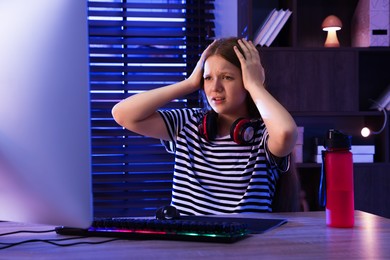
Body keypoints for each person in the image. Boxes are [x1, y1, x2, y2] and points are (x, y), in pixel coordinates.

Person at [112, 37, 299, 215]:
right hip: (188, 244)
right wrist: (188, 84)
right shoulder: (188, 123)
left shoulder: (264, 134)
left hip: (245, 245)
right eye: (208, 78)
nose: (215, 87)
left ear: (246, 81)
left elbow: (286, 133)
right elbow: (123, 114)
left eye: (227, 77)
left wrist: (256, 85)